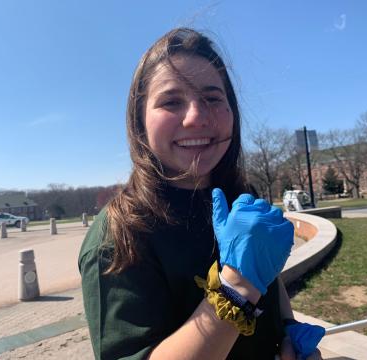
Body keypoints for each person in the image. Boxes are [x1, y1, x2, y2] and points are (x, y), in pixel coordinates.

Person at [79, 28, 324, 360]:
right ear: (139, 121)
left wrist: (289, 330)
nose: (196, 117)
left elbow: (269, 277)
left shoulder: (242, 196)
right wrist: (235, 288)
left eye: (212, 98)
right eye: (171, 101)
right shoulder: (118, 235)